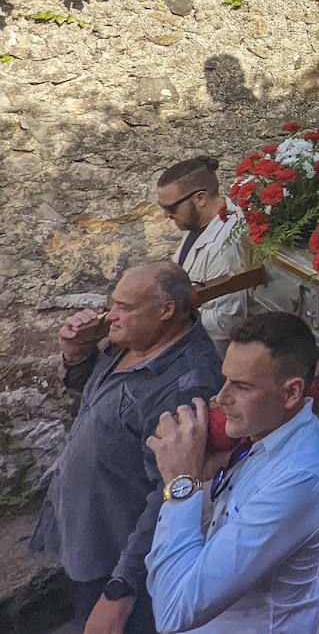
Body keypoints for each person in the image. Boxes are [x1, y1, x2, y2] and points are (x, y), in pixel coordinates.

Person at [30, 262, 223, 634]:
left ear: (165, 310)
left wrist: (121, 589)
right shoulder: (131, 344)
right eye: (111, 304)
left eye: (124, 307)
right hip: (90, 532)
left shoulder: (186, 385)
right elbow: (95, 408)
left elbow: (170, 492)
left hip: (123, 559)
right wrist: (77, 354)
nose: (109, 316)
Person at [144, 313, 319, 633]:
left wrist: (182, 483)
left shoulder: (300, 476)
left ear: (291, 393)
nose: (221, 398)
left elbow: (174, 612)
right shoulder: (256, 434)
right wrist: (203, 477)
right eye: (225, 380)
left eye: (242, 386)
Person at [156, 157, 246, 356]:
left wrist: (169, 319)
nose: (166, 215)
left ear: (200, 198)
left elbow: (227, 320)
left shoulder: (226, 243)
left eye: (171, 208)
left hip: (211, 359)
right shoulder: (198, 223)